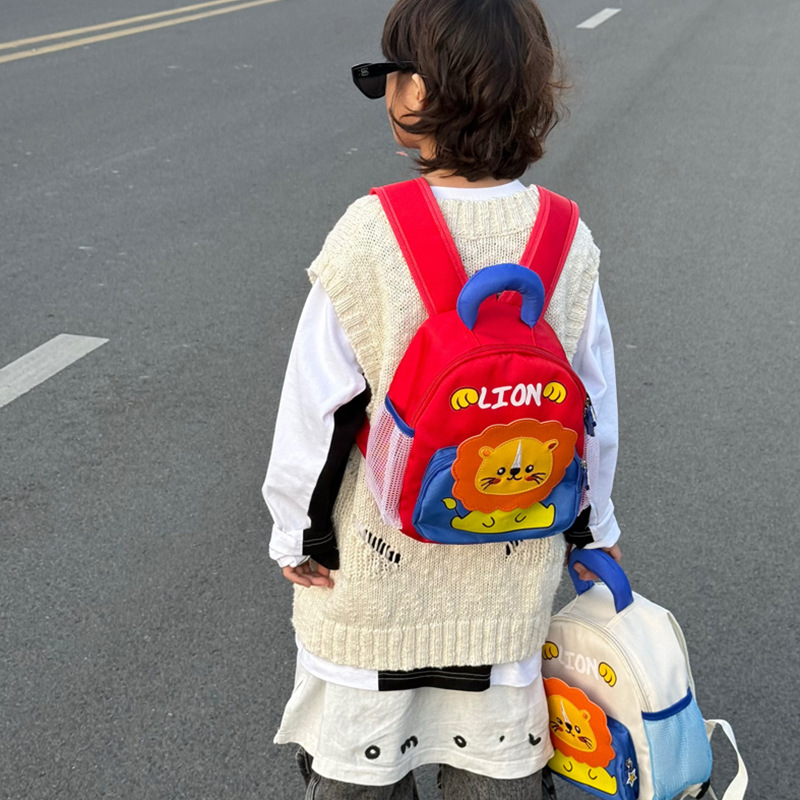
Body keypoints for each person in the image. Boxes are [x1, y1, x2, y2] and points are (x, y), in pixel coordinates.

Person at [263, 0, 622, 797]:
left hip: (374, 591)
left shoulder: (370, 232)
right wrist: (596, 532)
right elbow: (590, 409)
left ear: (417, 92)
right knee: (495, 771)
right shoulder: (565, 235)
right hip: (507, 588)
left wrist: (299, 534)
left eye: (389, 72)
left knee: (362, 772)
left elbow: (317, 412)